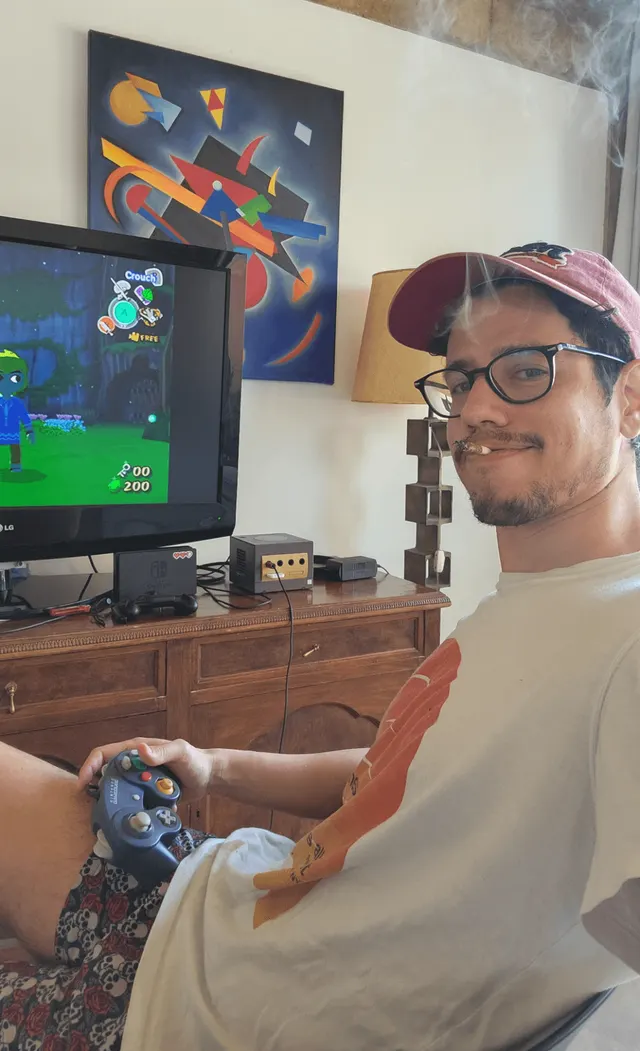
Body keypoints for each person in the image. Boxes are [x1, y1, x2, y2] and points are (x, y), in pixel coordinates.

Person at [2, 241, 640, 1051]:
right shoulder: (539, 603)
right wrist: (213, 762)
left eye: (524, 370)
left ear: (630, 398)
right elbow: (405, 778)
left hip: (206, 1008)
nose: (476, 409)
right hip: (222, 906)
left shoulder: (625, 632)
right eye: (461, 378)